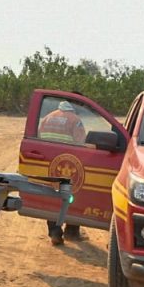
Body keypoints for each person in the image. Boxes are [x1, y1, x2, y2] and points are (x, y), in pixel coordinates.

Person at [36, 101, 87, 245]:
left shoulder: (47, 118)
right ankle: (72, 232)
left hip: (50, 164)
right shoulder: (75, 120)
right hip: (69, 164)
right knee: (73, 196)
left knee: (52, 197)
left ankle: (54, 233)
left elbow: (39, 139)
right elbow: (81, 143)